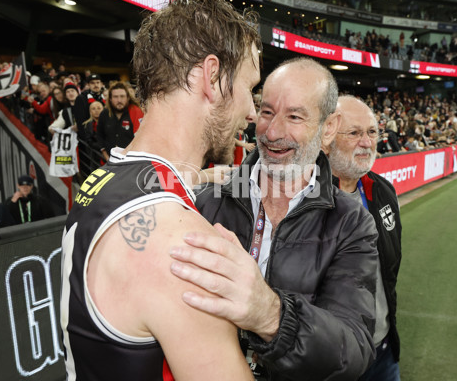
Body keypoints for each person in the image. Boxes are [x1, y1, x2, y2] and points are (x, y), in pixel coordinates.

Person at [60, 0, 261, 380]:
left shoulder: (108, 178)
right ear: (213, 76)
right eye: (249, 89)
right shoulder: (182, 245)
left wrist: (202, 175)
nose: (252, 111)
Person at [170, 58, 379, 380]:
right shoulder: (205, 201)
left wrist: (269, 314)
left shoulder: (351, 223)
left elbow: (352, 351)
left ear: (329, 127)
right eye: (266, 112)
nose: (272, 130)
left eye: (295, 116)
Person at [326, 95, 402, 381]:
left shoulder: (383, 192)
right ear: (327, 135)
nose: (367, 142)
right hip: (332, 363)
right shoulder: (304, 199)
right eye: (355, 133)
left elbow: (390, 273)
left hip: (383, 354)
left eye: (372, 132)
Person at [96, 82, 144, 161]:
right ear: (110, 99)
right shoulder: (104, 114)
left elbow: (140, 138)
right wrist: (105, 155)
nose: (119, 100)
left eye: (122, 96)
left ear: (128, 98)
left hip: (130, 161)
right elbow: (100, 135)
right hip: (108, 161)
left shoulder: (136, 112)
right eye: (115, 97)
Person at [73, 73, 105, 141]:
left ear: (101, 84)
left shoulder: (105, 98)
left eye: (97, 82)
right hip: (89, 138)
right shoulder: (81, 98)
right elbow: (80, 121)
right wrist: (87, 140)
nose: (96, 85)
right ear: (88, 85)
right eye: (92, 83)